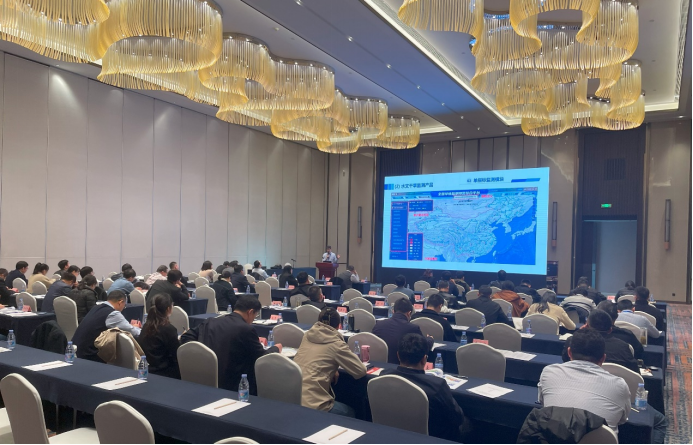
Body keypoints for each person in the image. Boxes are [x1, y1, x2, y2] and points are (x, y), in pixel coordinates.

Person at [181, 295, 282, 394]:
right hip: (234, 383)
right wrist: (276, 348)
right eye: (255, 316)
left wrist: (202, 353)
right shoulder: (246, 329)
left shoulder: (210, 322)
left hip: (206, 376)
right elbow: (261, 357)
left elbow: (186, 336)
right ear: (250, 312)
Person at [540, 328, 631, 435]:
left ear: (569, 352)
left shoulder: (549, 372)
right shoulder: (619, 386)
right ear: (603, 358)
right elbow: (622, 420)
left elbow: (544, 404)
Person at [382, 333, 467, 442]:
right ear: (424, 359)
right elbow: (458, 418)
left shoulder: (384, 375)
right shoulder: (437, 385)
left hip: (390, 434)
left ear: (398, 355)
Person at [294, 308, 367, 416]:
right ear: (339, 326)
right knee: (351, 412)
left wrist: (334, 367)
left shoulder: (307, 335)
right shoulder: (336, 344)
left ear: (318, 322)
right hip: (314, 405)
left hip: (294, 398)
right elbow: (360, 371)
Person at [72, 290, 142, 363]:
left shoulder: (96, 307)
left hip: (76, 349)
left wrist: (131, 326)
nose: (123, 308)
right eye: (124, 306)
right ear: (120, 302)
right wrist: (137, 327)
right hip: (89, 355)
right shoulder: (113, 314)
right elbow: (134, 333)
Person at [561, 310, 639, 374]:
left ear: (586, 326)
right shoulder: (624, 347)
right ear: (610, 330)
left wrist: (579, 334)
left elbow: (567, 362)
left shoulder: (573, 341)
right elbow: (635, 372)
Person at [372, 298, 433, 364]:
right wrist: (430, 339)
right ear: (409, 313)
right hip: (401, 365)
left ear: (393, 311)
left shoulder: (378, 324)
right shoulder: (413, 328)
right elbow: (423, 348)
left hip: (377, 364)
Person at [137, 293, 181, 379]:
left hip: (147, 368)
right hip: (165, 372)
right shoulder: (169, 329)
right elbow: (176, 355)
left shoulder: (146, 325)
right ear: (168, 309)